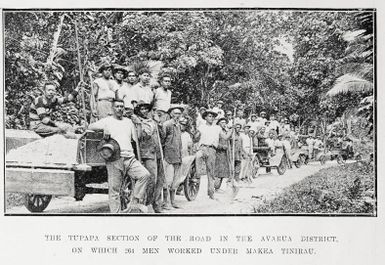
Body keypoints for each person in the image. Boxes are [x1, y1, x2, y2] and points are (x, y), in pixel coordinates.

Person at [87, 99, 150, 213]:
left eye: (122, 107)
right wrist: (103, 129)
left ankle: (135, 202)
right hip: (115, 158)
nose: (120, 109)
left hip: (130, 158)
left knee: (144, 175)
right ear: (112, 109)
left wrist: (139, 124)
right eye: (117, 107)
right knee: (114, 190)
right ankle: (115, 215)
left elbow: (138, 138)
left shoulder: (128, 122)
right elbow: (90, 126)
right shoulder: (107, 121)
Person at [134, 101, 163, 213]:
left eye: (146, 109)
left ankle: (156, 203)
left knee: (158, 180)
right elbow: (142, 137)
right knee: (151, 179)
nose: (145, 111)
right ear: (138, 111)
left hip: (156, 152)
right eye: (142, 109)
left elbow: (161, 135)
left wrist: (159, 122)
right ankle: (147, 203)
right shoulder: (136, 121)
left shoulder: (152, 121)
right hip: (146, 153)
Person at [194, 109, 225, 199]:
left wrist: (232, 130)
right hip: (203, 148)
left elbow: (225, 137)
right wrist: (195, 134)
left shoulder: (217, 128)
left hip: (212, 149)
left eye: (213, 117)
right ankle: (196, 176)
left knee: (211, 171)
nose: (211, 118)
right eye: (209, 116)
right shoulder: (201, 127)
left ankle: (211, 192)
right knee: (197, 157)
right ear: (205, 118)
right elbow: (196, 137)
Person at [161, 105, 184, 209]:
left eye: (179, 114)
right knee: (168, 181)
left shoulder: (178, 125)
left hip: (177, 157)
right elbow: (162, 141)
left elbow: (179, 142)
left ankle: (173, 201)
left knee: (175, 182)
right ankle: (166, 202)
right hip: (168, 157)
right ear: (171, 114)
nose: (177, 115)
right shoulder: (167, 124)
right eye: (175, 113)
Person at [214, 117, 233, 187]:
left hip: (225, 153)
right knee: (219, 170)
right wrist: (221, 146)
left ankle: (218, 187)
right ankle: (215, 186)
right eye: (222, 123)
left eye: (225, 123)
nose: (224, 124)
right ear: (219, 124)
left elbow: (229, 139)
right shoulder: (217, 131)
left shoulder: (225, 131)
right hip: (218, 153)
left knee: (224, 171)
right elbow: (216, 142)